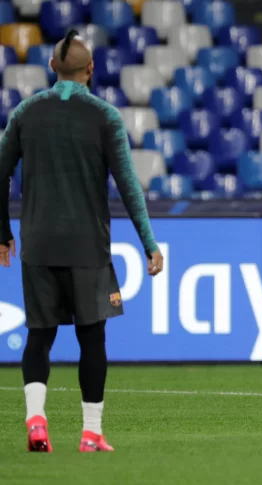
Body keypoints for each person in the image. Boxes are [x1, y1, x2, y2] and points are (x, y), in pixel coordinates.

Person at [0, 30, 164, 452]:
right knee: (93, 339)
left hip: (37, 244)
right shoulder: (105, 116)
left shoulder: (24, 113)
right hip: (88, 247)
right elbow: (128, 184)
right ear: (91, 70)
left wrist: (3, 232)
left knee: (40, 337)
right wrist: (149, 242)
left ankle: (37, 423)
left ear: (51, 68)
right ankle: (91, 433)